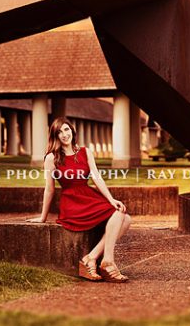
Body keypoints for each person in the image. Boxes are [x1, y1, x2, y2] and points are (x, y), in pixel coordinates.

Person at [26, 116, 132, 282]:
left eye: (66, 129)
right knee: (120, 216)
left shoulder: (85, 151)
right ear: (55, 136)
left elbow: (96, 177)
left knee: (125, 218)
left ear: (72, 131)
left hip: (88, 195)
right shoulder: (51, 158)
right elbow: (50, 189)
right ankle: (108, 261)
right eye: (59, 132)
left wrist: (111, 199)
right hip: (72, 202)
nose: (64, 134)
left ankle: (91, 258)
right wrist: (43, 217)